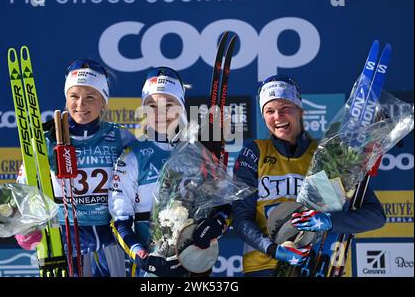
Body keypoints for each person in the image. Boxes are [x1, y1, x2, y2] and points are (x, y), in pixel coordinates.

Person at [232, 75, 386, 277]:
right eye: (269, 111)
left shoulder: (327, 156)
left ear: (300, 110)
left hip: (315, 267)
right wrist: (273, 249)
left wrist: (330, 221)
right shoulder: (255, 152)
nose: (278, 116)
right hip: (263, 268)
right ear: (263, 116)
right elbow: (241, 218)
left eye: (285, 108)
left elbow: (375, 217)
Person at [14, 59, 135, 277]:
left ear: (103, 101)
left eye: (90, 97)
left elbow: (138, 185)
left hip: (111, 242)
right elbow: (24, 187)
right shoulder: (46, 139)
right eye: (74, 96)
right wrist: (23, 229)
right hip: (65, 243)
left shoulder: (120, 137)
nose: (81, 104)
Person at [108, 66, 231, 277]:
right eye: (152, 105)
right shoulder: (133, 157)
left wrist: (217, 224)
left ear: (182, 107)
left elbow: (225, 205)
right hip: (153, 271)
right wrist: (141, 256)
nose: (161, 113)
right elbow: (120, 221)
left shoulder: (198, 151)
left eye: (170, 104)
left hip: (196, 267)